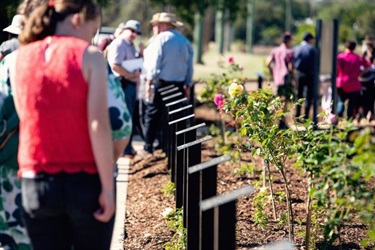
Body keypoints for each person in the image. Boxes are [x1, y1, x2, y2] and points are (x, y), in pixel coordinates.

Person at [8, 0, 115, 249]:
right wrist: (108, 188)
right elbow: (98, 124)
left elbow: (27, 117)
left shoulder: (18, 58)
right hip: (83, 180)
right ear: (78, 19)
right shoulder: (90, 56)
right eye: (92, 31)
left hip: (36, 181)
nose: (91, 38)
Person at [140, 12, 193, 157]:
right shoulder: (184, 41)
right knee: (173, 116)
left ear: (164, 25)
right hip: (178, 85)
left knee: (152, 114)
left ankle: (148, 146)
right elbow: (189, 65)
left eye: (156, 25)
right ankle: (167, 146)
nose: (154, 28)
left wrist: (149, 82)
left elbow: (154, 63)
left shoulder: (160, 40)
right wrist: (187, 84)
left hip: (161, 83)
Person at [107, 19, 144, 159]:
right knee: (124, 117)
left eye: (137, 32)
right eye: (132, 30)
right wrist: (131, 75)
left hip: (129, 84)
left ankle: (127, 148)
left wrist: (141, 54)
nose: (134, 34)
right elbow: (115, 66)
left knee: (129, 116)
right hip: (122, 84)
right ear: (124, 29)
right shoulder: (119, 44)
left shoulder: (129, 44)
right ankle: (124, 150)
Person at [266, 32, 294, 128]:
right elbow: (290, 68)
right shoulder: (289, 52)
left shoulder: (275, 51)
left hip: (277, 78)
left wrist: (272, 73)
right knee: (285, 100)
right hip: (286, 78)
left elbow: (267, 63)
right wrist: (294, 79)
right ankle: (282, 121)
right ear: (289, 40)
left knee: (277, 99)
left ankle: (271, 119)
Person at [336, 40, 370, 119]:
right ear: (354, 48)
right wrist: (360, 73)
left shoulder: (340, 57)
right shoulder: (357, 58)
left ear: (345, 46)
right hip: (354, 84)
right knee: (352, 104)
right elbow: (368, 66)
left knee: (340, 101)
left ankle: (339, 117)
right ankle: (349, 122)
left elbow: (336, 68)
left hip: (341, 83)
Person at [293, 32, 316, 120]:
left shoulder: (296, 48)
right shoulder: (312, 49)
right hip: (310, 74)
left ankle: (297, 115)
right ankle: (306, 116)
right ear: (309, 39)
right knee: (308, 95)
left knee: (299, 94)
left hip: (299, 73)